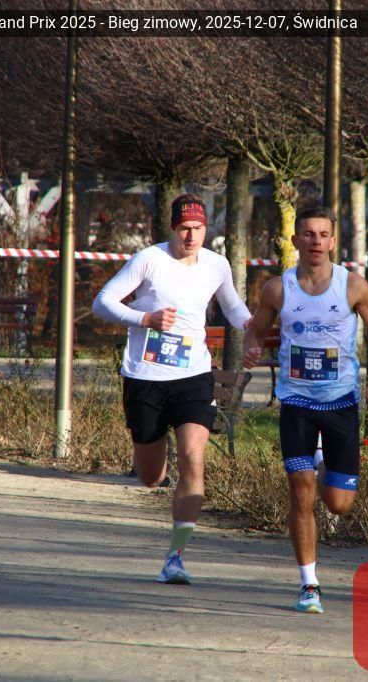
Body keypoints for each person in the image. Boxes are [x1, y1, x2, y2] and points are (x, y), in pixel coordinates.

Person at [92, 193, 251, 585]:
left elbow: (232, 307)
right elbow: (102, 302)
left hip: (193, 377)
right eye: (184, 229)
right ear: (172, 229)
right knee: (151, 476)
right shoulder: (149, 259)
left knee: (193, 458)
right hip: (145, 377)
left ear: (206, 229)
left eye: (198, 229)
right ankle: (152, 463)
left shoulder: (216, 264)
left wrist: (254, 330)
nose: (191, 237)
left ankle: (175, 557)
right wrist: (145, 318)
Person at [243, 206, 368, 614]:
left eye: (323, 234)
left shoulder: (352, 286)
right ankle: (309, 584)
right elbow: (255, 330)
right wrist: (252, 348)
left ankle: (323, 462)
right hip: (296, 403)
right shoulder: (278, 289)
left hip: (341, 403)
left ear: (332, 242)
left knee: (339, 503)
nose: (315, 241)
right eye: (308, 234)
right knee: (301, 489)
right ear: (295, 240)